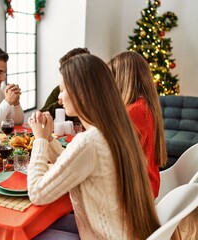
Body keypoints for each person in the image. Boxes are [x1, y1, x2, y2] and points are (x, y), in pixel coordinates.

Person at [28, 54, 161, 239]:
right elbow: (75, 164)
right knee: (40, 224)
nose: (59, 98)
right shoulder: (116, 129)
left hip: (104, 236)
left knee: (26, 233)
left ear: (81, 93)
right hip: (125, 231)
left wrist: (40, 141)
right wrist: (49, 139)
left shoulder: (90, 140)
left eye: (62, 90)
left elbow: (36, 193)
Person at [108, 51, 167, 198]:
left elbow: (114, 156)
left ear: (122, 79)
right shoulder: (145, 105)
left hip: (136, 192)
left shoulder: (134, 111)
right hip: (147, 186)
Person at [40, 47, 90, 124]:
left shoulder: (95, 97)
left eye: (66, 72)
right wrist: (61, 101)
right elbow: (42, 115)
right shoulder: (59, 90)